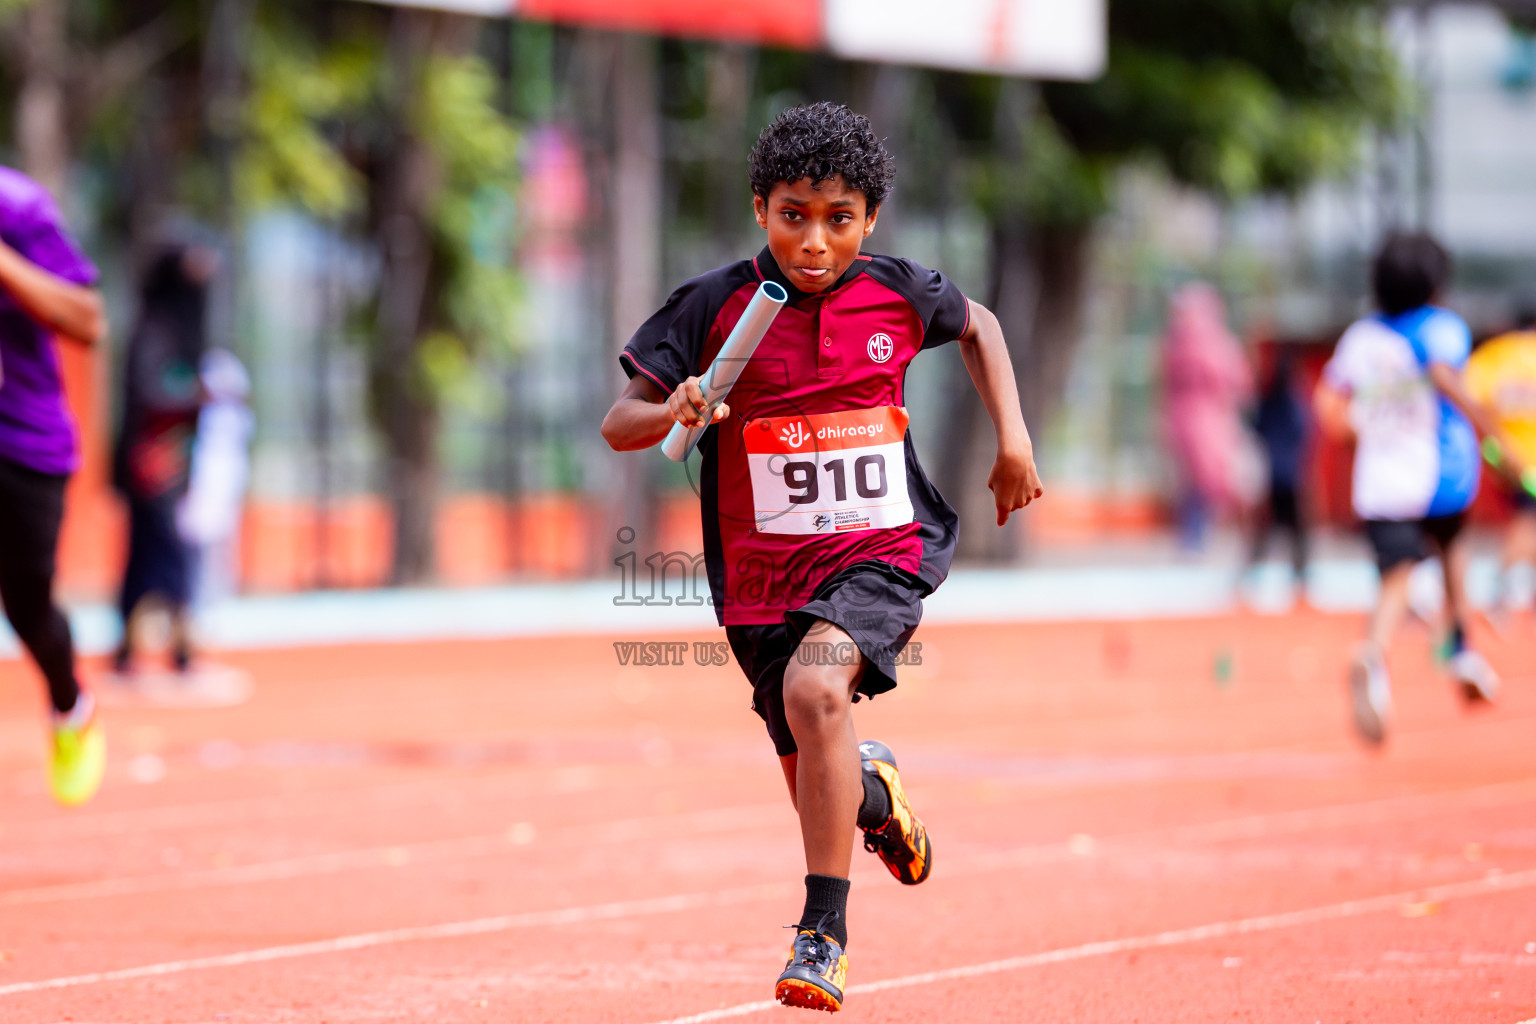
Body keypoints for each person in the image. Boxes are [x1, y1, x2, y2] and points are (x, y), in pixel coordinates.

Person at [600, 103, 1041, 1012]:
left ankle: (822, 934)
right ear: (760, 206)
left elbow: (982, 326)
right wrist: (676, 407)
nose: (814, 240)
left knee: (814, 692)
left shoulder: (898, 291)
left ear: (868, 220)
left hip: (879, 552)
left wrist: (1015, 440)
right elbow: (619, 426)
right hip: (757, 576)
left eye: (838, 219)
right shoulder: (711, 306)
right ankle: (873, 798)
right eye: (793, 214)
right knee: (809, 752)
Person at [1313, 233, 1506, 745]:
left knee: (1396, 576)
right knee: (1452, 553)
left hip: (1379, 482)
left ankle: (1375, 654)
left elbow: (1330, 407)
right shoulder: (1441, 327)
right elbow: (1445, 375)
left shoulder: (1359, 339)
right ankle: (1462, 650)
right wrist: (1493, 434)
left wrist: (1363, 426)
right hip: (1438, 473)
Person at [0, 164, 108, 806]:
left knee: (28, 606)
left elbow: (89, 321)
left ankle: (71, 705)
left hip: (23, 444)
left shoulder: (18, 205)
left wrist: (6, 265)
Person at [111, 244, 213, 676]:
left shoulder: (184, 335)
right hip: (150, 463)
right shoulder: (153, 331)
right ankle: (165, 644)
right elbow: (147, 392)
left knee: (164, 548)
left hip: (174, 461)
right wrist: (194, 395)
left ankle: (159, 645)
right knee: (161, 550)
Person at [1162, 282, 1254, 550]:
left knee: (1206, 480)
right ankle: (1201, 535)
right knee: (1203, 481)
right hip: (1205, 421)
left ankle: (1202, 536)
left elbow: (1238, 382)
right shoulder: (1214, 343)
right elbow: (1240, 381)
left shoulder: (1195, 344)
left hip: (1206, 421)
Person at [1464, 304, 1536, 617]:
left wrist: (1494, 451)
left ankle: (1511, 588)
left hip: (1503, 457)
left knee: (1526, 520)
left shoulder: (1495, 355)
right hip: (1530, 461)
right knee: (1529, 522)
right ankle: (1503, 589)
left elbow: (1468, 399)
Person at [1246, 350, 1311, 596]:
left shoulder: (1270, 398)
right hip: (1290, 473)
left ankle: (1256, 568)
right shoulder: (1293, 400)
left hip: (1274, 472)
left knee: (1268, 527)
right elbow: (1303, 432)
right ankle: (1299, 572)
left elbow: (1256, 427)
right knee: (1295, 528)